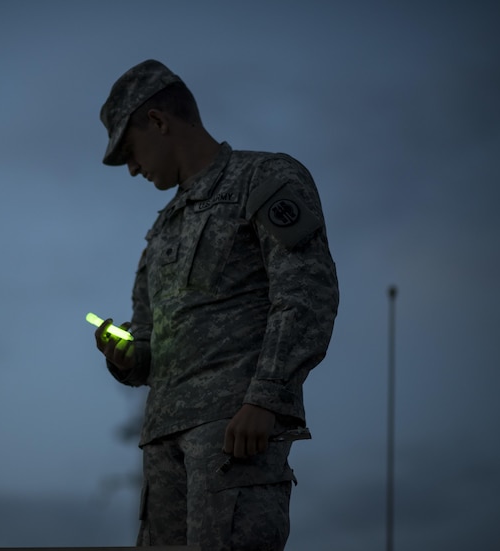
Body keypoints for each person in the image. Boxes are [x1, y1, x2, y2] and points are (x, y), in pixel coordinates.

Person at [93, 59, 339, 551]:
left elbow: (305, 294)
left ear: (159, 122)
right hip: (164, 442)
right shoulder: (160, 231)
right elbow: (148, 339)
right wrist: (125, 355)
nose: (134, 168)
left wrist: (264, 398)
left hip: (233, 435)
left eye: (130, 151)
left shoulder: (263, 178)